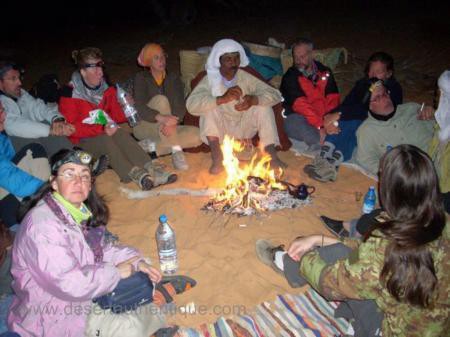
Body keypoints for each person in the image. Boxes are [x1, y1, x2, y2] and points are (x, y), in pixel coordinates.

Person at [256, 145, 449, 337]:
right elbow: (367, 254)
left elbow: (332, 284)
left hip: (389, 330)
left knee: (331, 262)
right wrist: (318, 239)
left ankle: (287, 262)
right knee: (344, 254)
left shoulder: (386, 247)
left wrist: (307, 257)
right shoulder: (443, 222)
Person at [7, 149, 194, 337]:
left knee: (135, 281)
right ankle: (158, 300)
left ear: (90, 185)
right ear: (54, 182)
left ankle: (155, 301)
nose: (78, 182)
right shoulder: (42, 226)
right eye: (69, 174)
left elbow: (102, 249)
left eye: (85, 176)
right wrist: (115, 272)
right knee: (129, 328)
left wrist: (137, 261)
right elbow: (68, 285)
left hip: (82, 293)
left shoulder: (76, 212)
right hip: (53, 312)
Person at [59, 47, 177, 190]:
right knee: (105, 138)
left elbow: (115, 116)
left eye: (100, 66)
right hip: (83, 143)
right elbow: (70, 130)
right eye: (94, 69)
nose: (100, 72)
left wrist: (126, 106)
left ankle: (152, 168)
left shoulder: (106, 88)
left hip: (105, 131)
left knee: (119, 132)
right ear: (83, 72)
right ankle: (135, 174)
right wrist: (101, 128)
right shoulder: (70, 94)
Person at [186, 38, 285, 174]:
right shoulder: (209, 79)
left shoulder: (246, 76)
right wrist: (221, 99)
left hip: (245, 127)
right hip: (221, 131)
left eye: (236, 58)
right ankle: (217, 158)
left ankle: (271, 156)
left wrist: (254, 100)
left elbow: (275, 95)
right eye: (228, 59)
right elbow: (191, 105)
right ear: (218, 61)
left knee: (263, 106)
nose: (233, 62)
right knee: (209, 109)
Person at [305, 52, 403, 182]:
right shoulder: (363, 84)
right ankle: (323, 157)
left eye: (378, 72)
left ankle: (332, 164)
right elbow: (347, 103)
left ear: (388, 74)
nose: (373, 75)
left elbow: (367, 111)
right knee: (339, 122)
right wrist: (329, 117)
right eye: (371, 71)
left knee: (353, 124)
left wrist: (339, 114)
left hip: (375, 124)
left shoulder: (392, 89)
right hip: (354, 116)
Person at [131, 43, 202, 170]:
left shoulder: (173, 78)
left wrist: (173, 122)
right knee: (162, 100)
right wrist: (162, 118)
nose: (161, 60)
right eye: (156, 58)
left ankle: (151, 146)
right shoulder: (141, 78)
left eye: (163, 56)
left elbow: (180, 104)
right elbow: (140, 107)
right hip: (145, 125)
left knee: (198, 135)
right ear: (148, 61)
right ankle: (176, 150)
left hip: (168, 128)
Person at [354, 81, 435, 175]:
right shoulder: (366, 131)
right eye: (377, 98)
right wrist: (392, 173)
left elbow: (441, 129)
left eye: (385, 93)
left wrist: (435, 114)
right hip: (412, 178)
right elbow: (366, 161)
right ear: (369, 106)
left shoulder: (412, 109)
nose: (385, 98)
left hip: (439, 161)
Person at [0, 61, 74, 156]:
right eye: (13, 79)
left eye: (19, 78)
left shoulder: (19, 94)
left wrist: (57, 120)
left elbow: (39, 107)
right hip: (12, 146)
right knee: (42, 132)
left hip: (31, 139)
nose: (19, 82)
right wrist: (50, 130)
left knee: (48, 123)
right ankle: (68, 160)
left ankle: (72, 156)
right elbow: (13, 125)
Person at [280, 38, 340, 153]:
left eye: (302, 57)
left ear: (311, 54)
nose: (298, 61)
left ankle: (327, 139)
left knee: (340, 123)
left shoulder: (325, 72)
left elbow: (333, 99)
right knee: (297, 124)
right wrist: (320, 126)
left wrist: (329, 120)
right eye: (295, 57)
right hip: (298, 117)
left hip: (322, 118)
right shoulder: (290, 76)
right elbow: (300, 105)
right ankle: (318, 144)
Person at [0, 101, 50, 227]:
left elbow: (11, 166)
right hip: (9, 209)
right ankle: (46, 206)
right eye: (0, 112)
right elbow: (7, 175)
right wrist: (48, 189)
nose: (4, 116)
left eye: (3, 110)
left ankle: (43, 207)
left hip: (14, 200)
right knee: (34, 150)